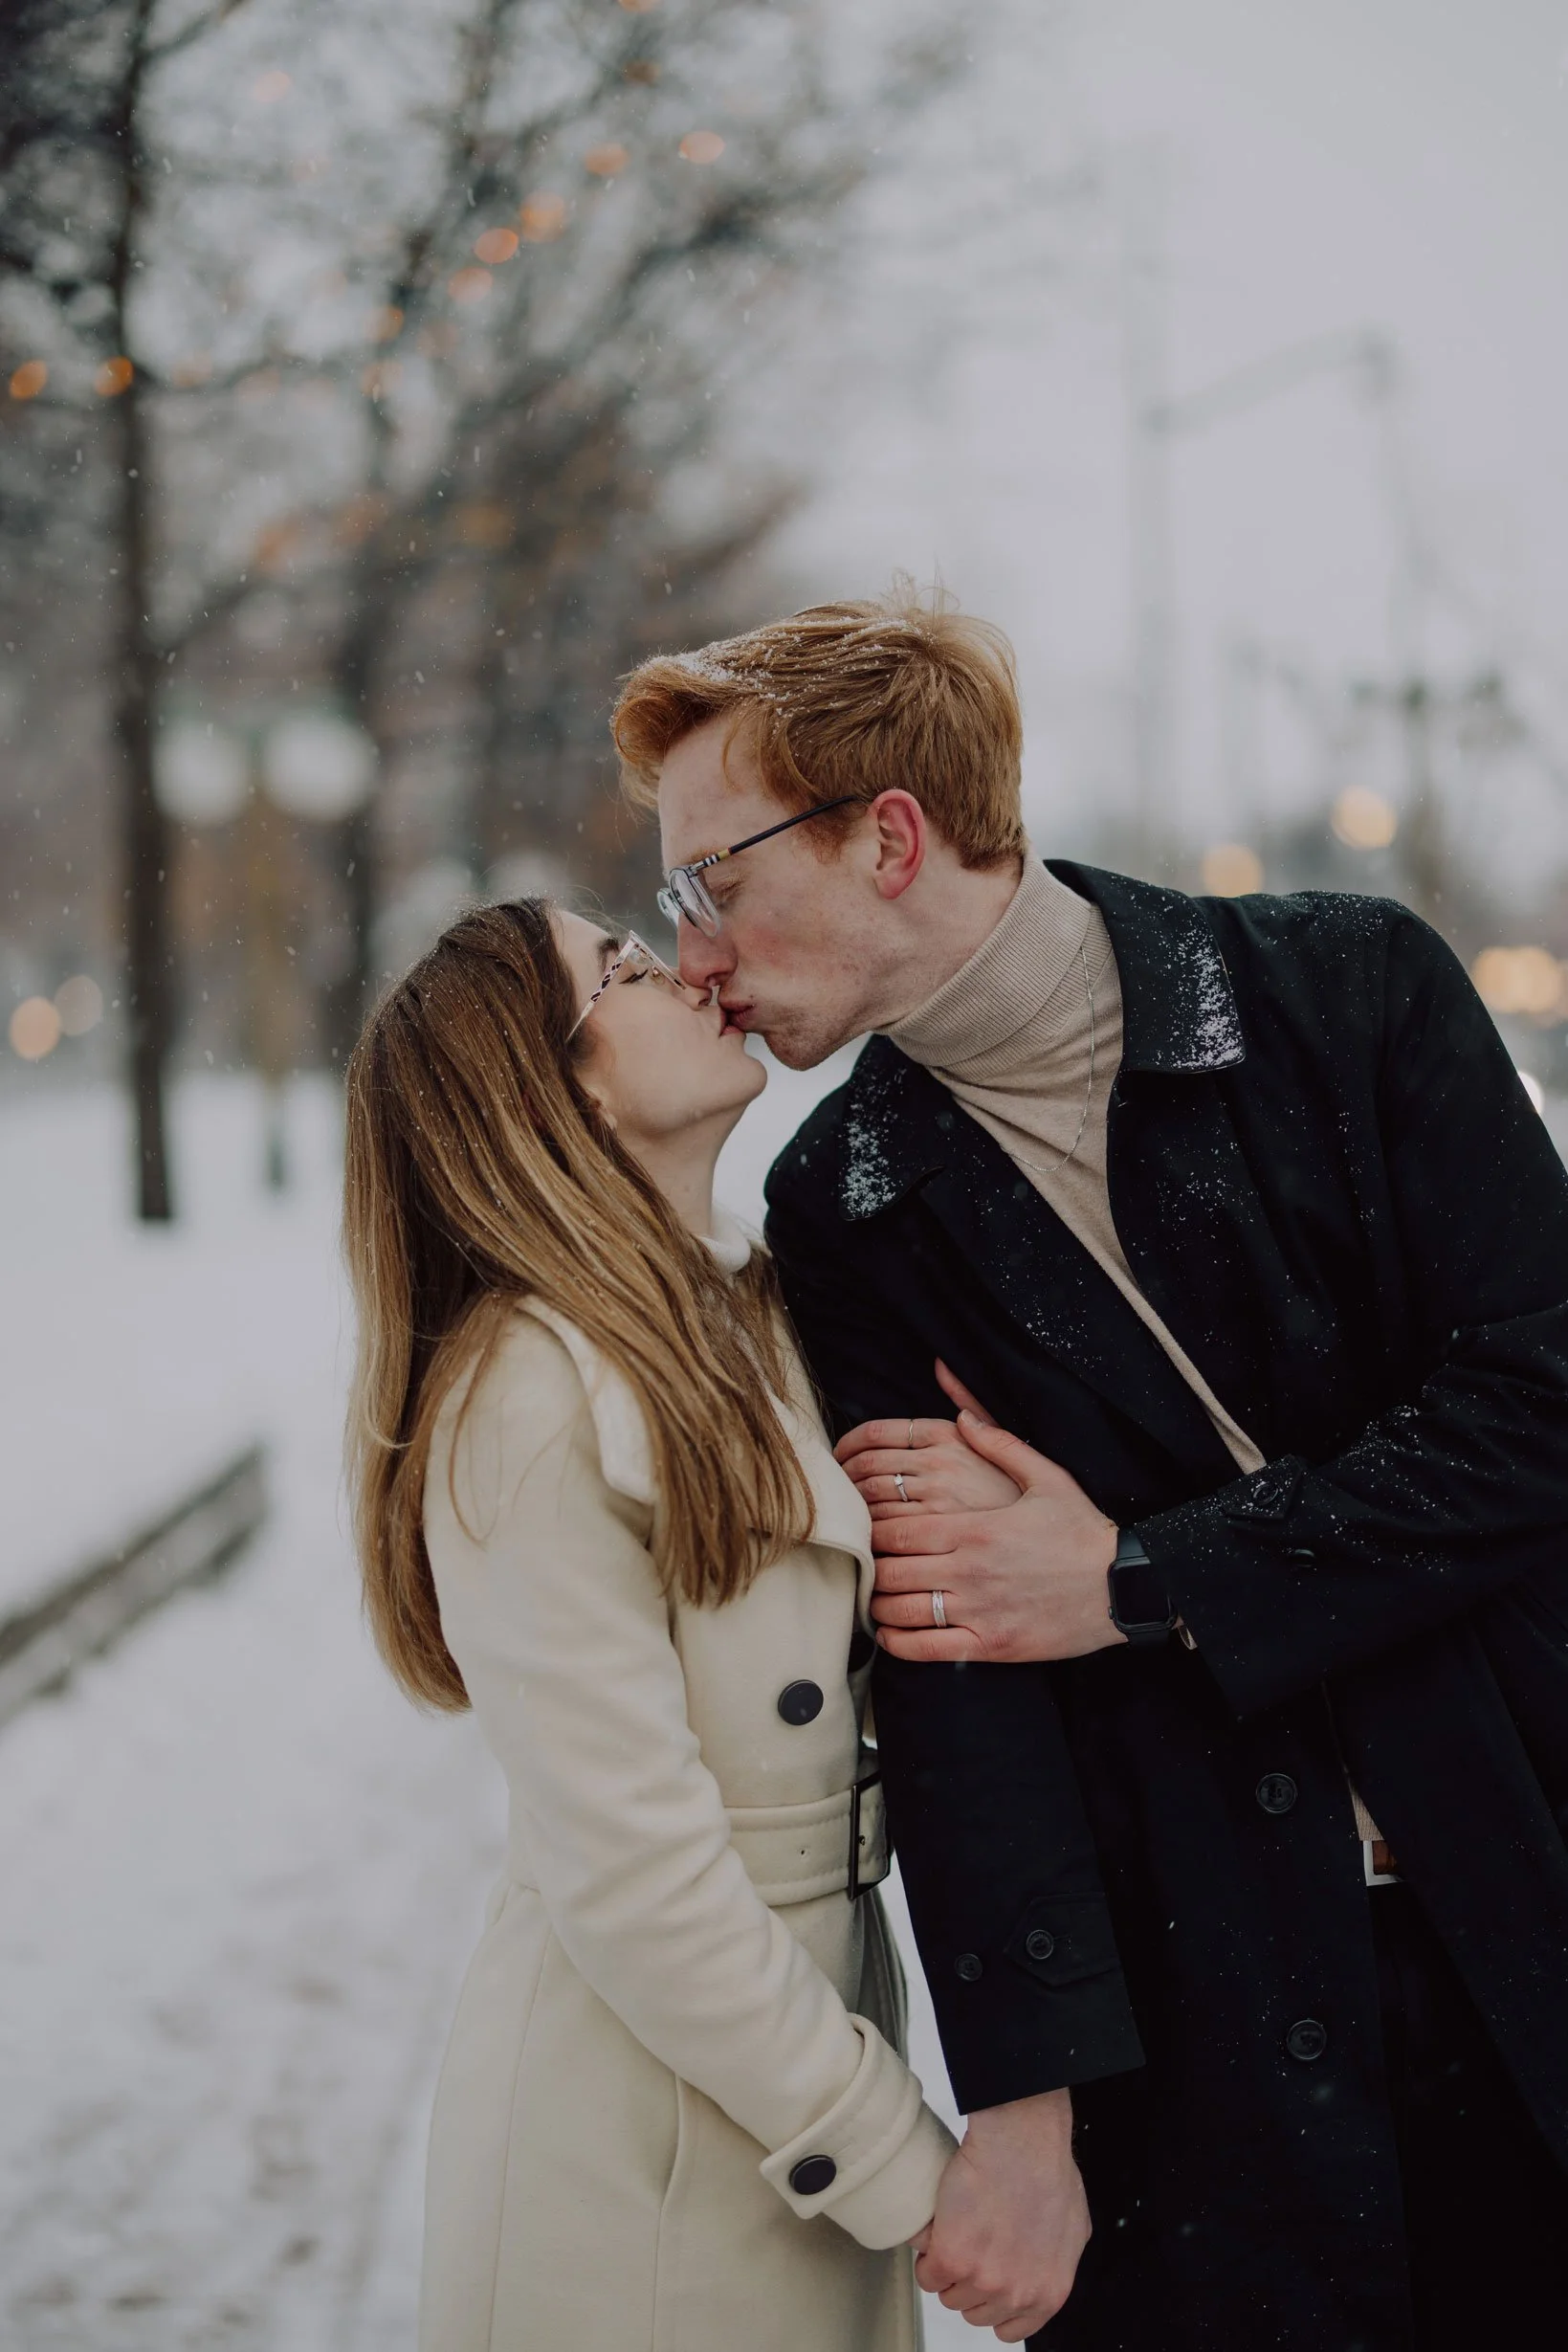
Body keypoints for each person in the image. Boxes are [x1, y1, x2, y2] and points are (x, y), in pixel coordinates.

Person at [610, 588, 1568, 2350]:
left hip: (1521, 1870)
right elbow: (959, 1663)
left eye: (712, 880)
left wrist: (1144, 1578)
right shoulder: (849, 1208)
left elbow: (1540, 1401)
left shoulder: (1348, 993)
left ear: (885, 834)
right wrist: (1025, 2107)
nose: (695, 954)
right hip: (1209, 1998)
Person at [340, 898, 963, 2352]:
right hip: (643, 2155)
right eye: (617, 969)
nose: (680, 970)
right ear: (564, 1086)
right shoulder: (528, 1395)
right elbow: (637, 1880)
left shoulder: (745, 1316)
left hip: (776, 2068)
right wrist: (904, 2168)